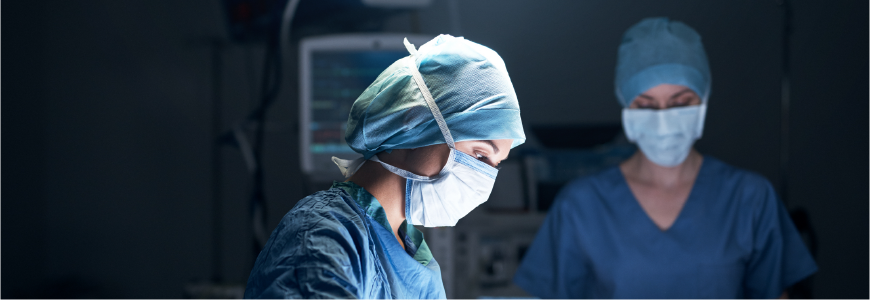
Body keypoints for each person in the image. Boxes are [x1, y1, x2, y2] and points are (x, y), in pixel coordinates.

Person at [513, 17, 816, 300]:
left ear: (703, 99)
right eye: (646, 106)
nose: (663, 119)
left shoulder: (750, 199)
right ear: (626, 107)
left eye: (680, 103)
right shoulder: (582, 206)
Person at [243, 34, 525, 300]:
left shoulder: (418, 261)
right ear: (415, 120)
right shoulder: (322, 235)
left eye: (495, 166)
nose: (484, 179)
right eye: (480, 156)